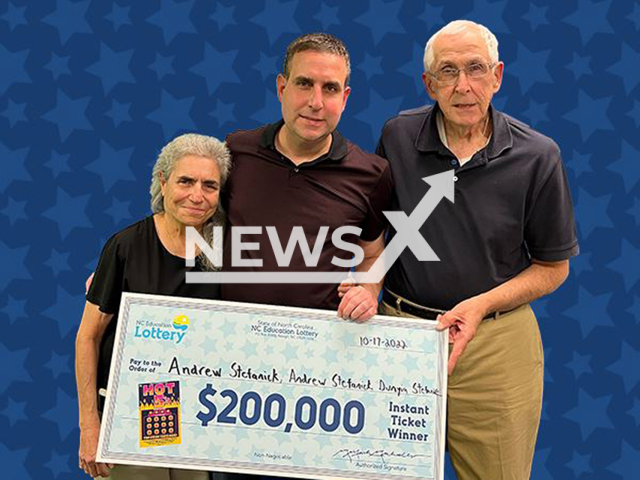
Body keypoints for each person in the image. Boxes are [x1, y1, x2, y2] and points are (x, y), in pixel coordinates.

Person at [376, 20, 579, 479]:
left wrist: (481, 304)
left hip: (496, 346)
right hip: (401, 336)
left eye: (475, 69)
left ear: (497, 76)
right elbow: (378, 232)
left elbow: (553, 268)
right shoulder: (397, 138)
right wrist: (369, 286)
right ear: (428, 84)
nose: (463, 86)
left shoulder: (538, 155)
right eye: (447, 72)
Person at [75, 134, 231, 479]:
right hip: (134, 409)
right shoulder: (126, 246)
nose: (197, 195)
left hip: (200, 413)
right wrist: (90, 425)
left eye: (210, 185)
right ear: (162, 182)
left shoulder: (227, 250)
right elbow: (87, 338)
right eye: (185, 181)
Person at [221, 33, 393, 321]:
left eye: (330, 88)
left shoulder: (371, 174)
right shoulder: (236, 151)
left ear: (345, 98)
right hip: (233, 334)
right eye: (304, 84)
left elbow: (372, 254)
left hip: (318, 345)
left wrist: (368, 291)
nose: (316, 102)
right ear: (281, 88)